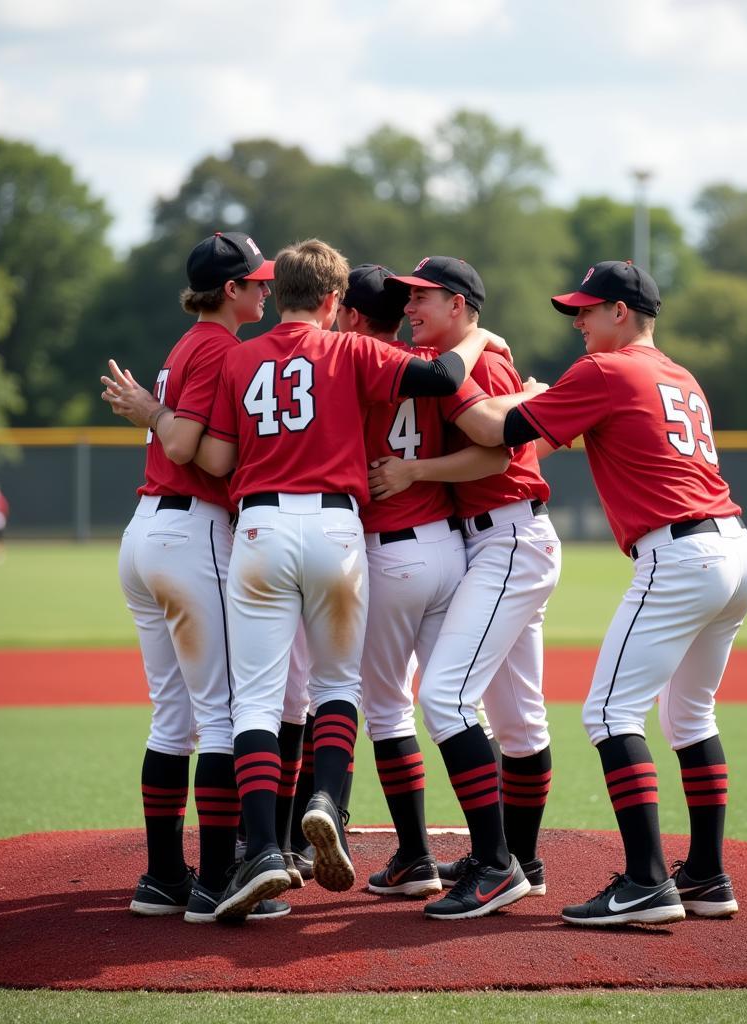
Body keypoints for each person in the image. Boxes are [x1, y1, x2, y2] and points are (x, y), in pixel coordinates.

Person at [190, 239, 510, 922]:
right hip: (338, 527)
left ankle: (263, 854)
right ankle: (327, 800)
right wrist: (478, 333)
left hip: (259, 526)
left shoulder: (240, 356)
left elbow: (215, 454)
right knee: (338, 687)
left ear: (278, 295)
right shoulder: (350, 350)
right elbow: (442, 375)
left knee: (255, 702)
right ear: (334, 302)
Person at [453, 259, 747, 926]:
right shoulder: (679, 375)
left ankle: (648, 881)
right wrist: (537, 400)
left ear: (622, 312)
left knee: (609, 715)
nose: (578, 322)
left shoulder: (606, 370)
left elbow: (493, 432)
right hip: (735, 550)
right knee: (691, 717)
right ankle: (706, 873)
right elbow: (554, 438)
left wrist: (483, 391)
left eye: (587, 310)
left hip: (678, 555)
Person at [102, 230, 289, 924]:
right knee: (222, 712)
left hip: (147, 533)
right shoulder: (219, 348)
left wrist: (153, 417)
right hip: (190, 532)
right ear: (230, 290)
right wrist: (154, 417)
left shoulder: (188, 344)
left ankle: (161, 877)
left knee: (173, 714)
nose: (266, 289)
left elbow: (175, 439)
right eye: (257, 280)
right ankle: (214, 881)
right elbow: (191, 449)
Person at [371, 256, 561, 921]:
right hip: (498, 537)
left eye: (423, 298)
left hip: (506, 538)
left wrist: (414, 472)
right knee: (518, 719)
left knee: (446, 698)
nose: (410, 308)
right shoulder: (450, 359)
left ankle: (495, 864)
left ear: (459, 304)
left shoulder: (476, 363)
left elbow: (494, 450)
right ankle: (522, 862)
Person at [335, 264, 509, 898]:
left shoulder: (347, 364)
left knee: (387, 709)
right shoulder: (434, 362)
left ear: (353, 317)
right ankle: (497, 852)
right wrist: (484, 341)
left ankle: (414, 855)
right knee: (459, 704)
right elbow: (493, 441)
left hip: (388, 554)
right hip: (449, 548)